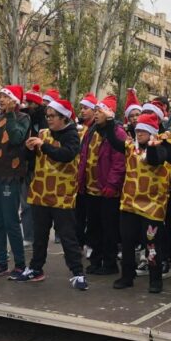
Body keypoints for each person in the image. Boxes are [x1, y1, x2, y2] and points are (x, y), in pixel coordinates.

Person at [16, 98, 87, 290]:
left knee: (67, 235)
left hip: (62, 195)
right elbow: (32, 159)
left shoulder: (72, 135)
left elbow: (65, 155)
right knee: (40, 234)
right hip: (41, 192)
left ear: (63, 118)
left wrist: (44, 146)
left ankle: (78, 273)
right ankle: (36, 269)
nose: (49, 119)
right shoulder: (42, 133)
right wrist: (29, 150)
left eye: (53, 116)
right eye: (47, 116)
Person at [100, 111, 171, 293]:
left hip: (153, 206)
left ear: (151, 132)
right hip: (129, 203)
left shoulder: (163, 146)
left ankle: (155, 279)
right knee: (127, 241)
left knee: (151, 245)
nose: (139, 133)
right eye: (137, 130)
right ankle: (127, 276)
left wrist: (153, 146)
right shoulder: (130, 146)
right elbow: (114, 141)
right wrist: (109, 123)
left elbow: (157, 160)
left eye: (143, 130)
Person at [0, 85, 30, 280]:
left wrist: (10, 116)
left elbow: (17, 138)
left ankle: (20, 265)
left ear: (15, 100)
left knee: (11, 221)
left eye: (5, 96)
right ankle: (1, 263)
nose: (1, 100)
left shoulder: (23, 118)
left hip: (10, 174)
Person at [79, 95, 126, 276]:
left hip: (108, 191)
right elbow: (84, 157)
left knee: (109, 229)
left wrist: (112, 184)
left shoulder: (117, 132)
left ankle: (110, 263)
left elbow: (119, 162)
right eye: (96, 110)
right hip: (91, 189)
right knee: (93, 228)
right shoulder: (91, 131)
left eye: (100, 111)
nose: (96, 114)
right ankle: (95, 260)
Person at [22, 85, 49, 248]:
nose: (27, 106)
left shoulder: (44, 121)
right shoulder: (24, 118)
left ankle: (39, 236)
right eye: (27, 102)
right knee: (25, 204)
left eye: (31, 103)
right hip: (26, 166)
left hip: (40, 168)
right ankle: (28, 236)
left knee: (39, 205)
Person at [75, 92, 98, 252]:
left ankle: (91, 243)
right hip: (79, 177)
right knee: (78, 214)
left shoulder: (96, 129)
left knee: (92, 215)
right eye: (81, 108)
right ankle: (79, 243)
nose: (82, 111)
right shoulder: (79, 128)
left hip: (94, 178)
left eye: (85, 108)